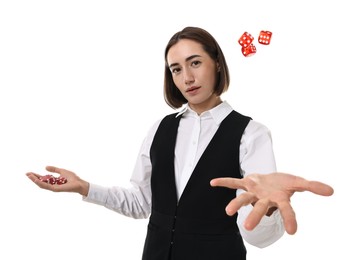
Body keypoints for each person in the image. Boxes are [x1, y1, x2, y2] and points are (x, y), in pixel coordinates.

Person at [26, 26, 334, 260]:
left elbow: (255, 235)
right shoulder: (160, 128)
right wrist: (84, 187)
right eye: (176, 69)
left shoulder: (251, 133)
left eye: (195, 62)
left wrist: (265, 210)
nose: (187, 77)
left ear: (216, 62)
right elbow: (142, 204)